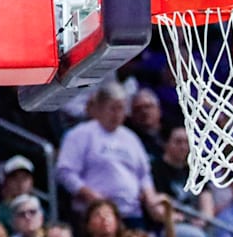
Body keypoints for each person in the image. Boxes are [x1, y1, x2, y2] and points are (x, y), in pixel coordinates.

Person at [56, 83, 165, 225]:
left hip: (131, 213)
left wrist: (151, 199)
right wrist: (92, 196)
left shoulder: (131, 138)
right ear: (100, 108)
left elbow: (144, 175)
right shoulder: (80, 134)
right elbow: (65, 172)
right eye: (113, 108)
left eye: (121, 108)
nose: (117, 114)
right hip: (95, 214)